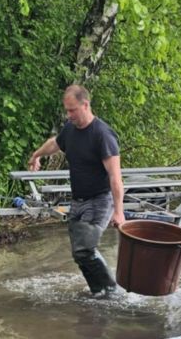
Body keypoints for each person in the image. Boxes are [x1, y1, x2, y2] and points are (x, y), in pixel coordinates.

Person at [28, 85, 125, 297]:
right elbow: (54, 143)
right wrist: (36, 155)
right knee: (79, 254)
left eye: (72, 110)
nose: (69, 115)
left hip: (100, 201)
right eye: (67, 110)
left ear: (85, 105)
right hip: (78, 200)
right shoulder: (70, 129)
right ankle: (98, 292)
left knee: (85, 250)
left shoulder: (102, 135)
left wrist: (119, 212)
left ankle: (112, 291)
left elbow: (115, 177)